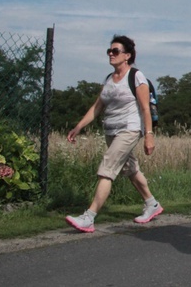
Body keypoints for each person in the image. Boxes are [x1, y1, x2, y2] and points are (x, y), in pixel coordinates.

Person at [65, 35, 162, 233]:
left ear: (127, 55)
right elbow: (97, 107)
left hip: (129, 129)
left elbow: (145, 109)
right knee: (130, 169)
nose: (111, 54)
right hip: (111, 130)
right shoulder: (109, 79)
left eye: (115, 51)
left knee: (108, 166)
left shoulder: (136, 76)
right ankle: (152, 204)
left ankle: (89, 217)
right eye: (109, 51)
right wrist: (78, 127)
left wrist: (149, 135)